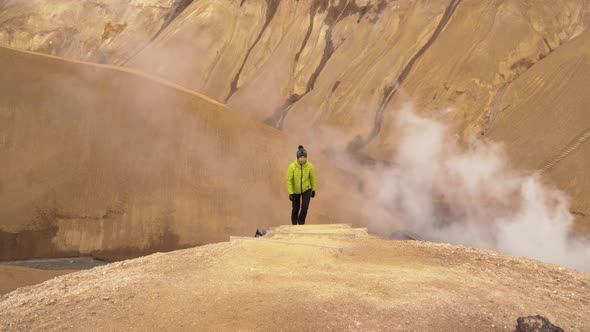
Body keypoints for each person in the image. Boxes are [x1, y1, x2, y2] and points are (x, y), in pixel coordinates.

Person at [286, 145, 317, 225]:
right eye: (301, 157)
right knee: (296, 208)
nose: (303, 159)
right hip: (295, 190)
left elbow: (312, 178)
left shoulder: (310, 166)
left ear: (306, 157)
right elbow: (289, 180)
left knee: (305, 208)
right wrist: (291, 192)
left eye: (304, 157)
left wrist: (313, 189)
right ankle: (294, 225)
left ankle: (301, 223)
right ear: (297, 158)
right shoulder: (292, 167)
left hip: (307, 189)